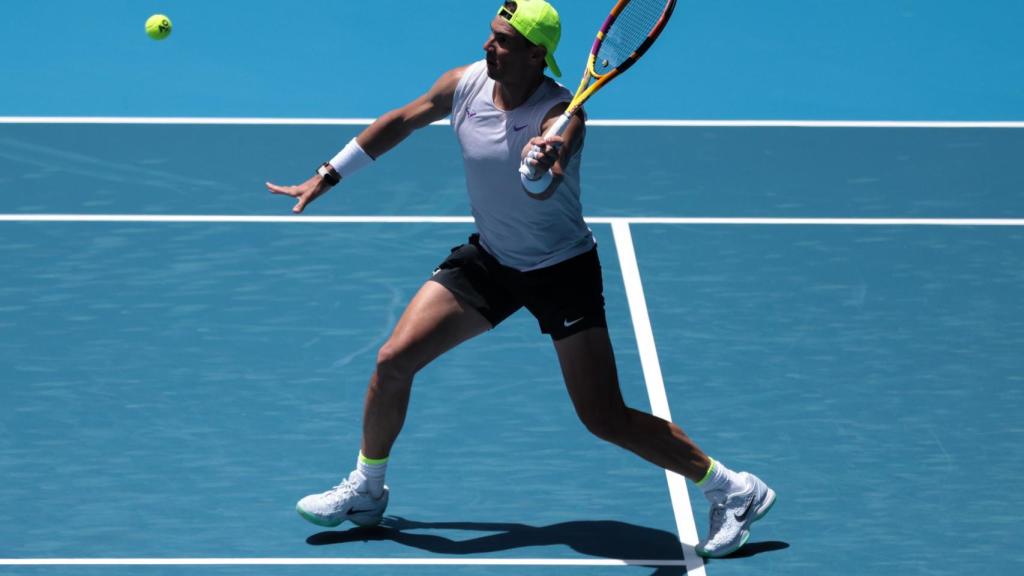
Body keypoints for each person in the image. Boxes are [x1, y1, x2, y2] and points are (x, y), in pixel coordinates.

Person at [266, 0, 774, 559]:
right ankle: (367, 489)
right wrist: (327, 174)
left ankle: (733, 489)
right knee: (393, 360)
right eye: (491, 35)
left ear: (537, 55)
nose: (489, 47)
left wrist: (542, 160)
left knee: (602, 417)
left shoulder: (563, 115)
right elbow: (400, 121)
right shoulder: (463, 85)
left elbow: (549, 183)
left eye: (504, 41)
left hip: (561, 272)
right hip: (492, 260)